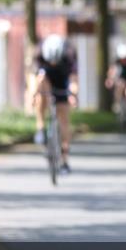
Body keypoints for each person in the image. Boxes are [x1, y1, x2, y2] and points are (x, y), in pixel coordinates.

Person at [31, 34, 78, 173]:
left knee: (64, 120)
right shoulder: (39, 54)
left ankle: (65, 160)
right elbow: (35, 79)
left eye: (55, 61)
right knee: (40, 92)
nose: (53, 63)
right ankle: (40, 128)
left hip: (62, 81)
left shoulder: (69, 55)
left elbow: (74, 79)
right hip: (46, 79)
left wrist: (73, 95)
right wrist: (33, 96)